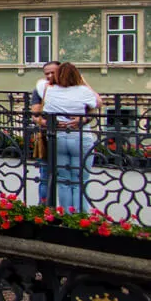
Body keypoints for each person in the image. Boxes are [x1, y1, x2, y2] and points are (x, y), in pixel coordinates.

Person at [42, 62, 99, 212]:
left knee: (63, 180)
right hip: (80, 136)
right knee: (80, 180)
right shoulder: (83, 91)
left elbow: (46, 112)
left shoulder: (51, 91)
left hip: (59, 136)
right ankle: (80, 217)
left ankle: (66, 214)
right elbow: (97, 103)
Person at [30, 60, 60, 203]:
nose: (49, 75)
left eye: (53, 72)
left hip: (67, 135)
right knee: (44, 175)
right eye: (47, 73)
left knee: (69, 177)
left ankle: (69, 212)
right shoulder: (40, 88)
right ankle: (44, 207)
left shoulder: (71, 88)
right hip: (46, 137)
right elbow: (35, 113)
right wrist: (48, 123)